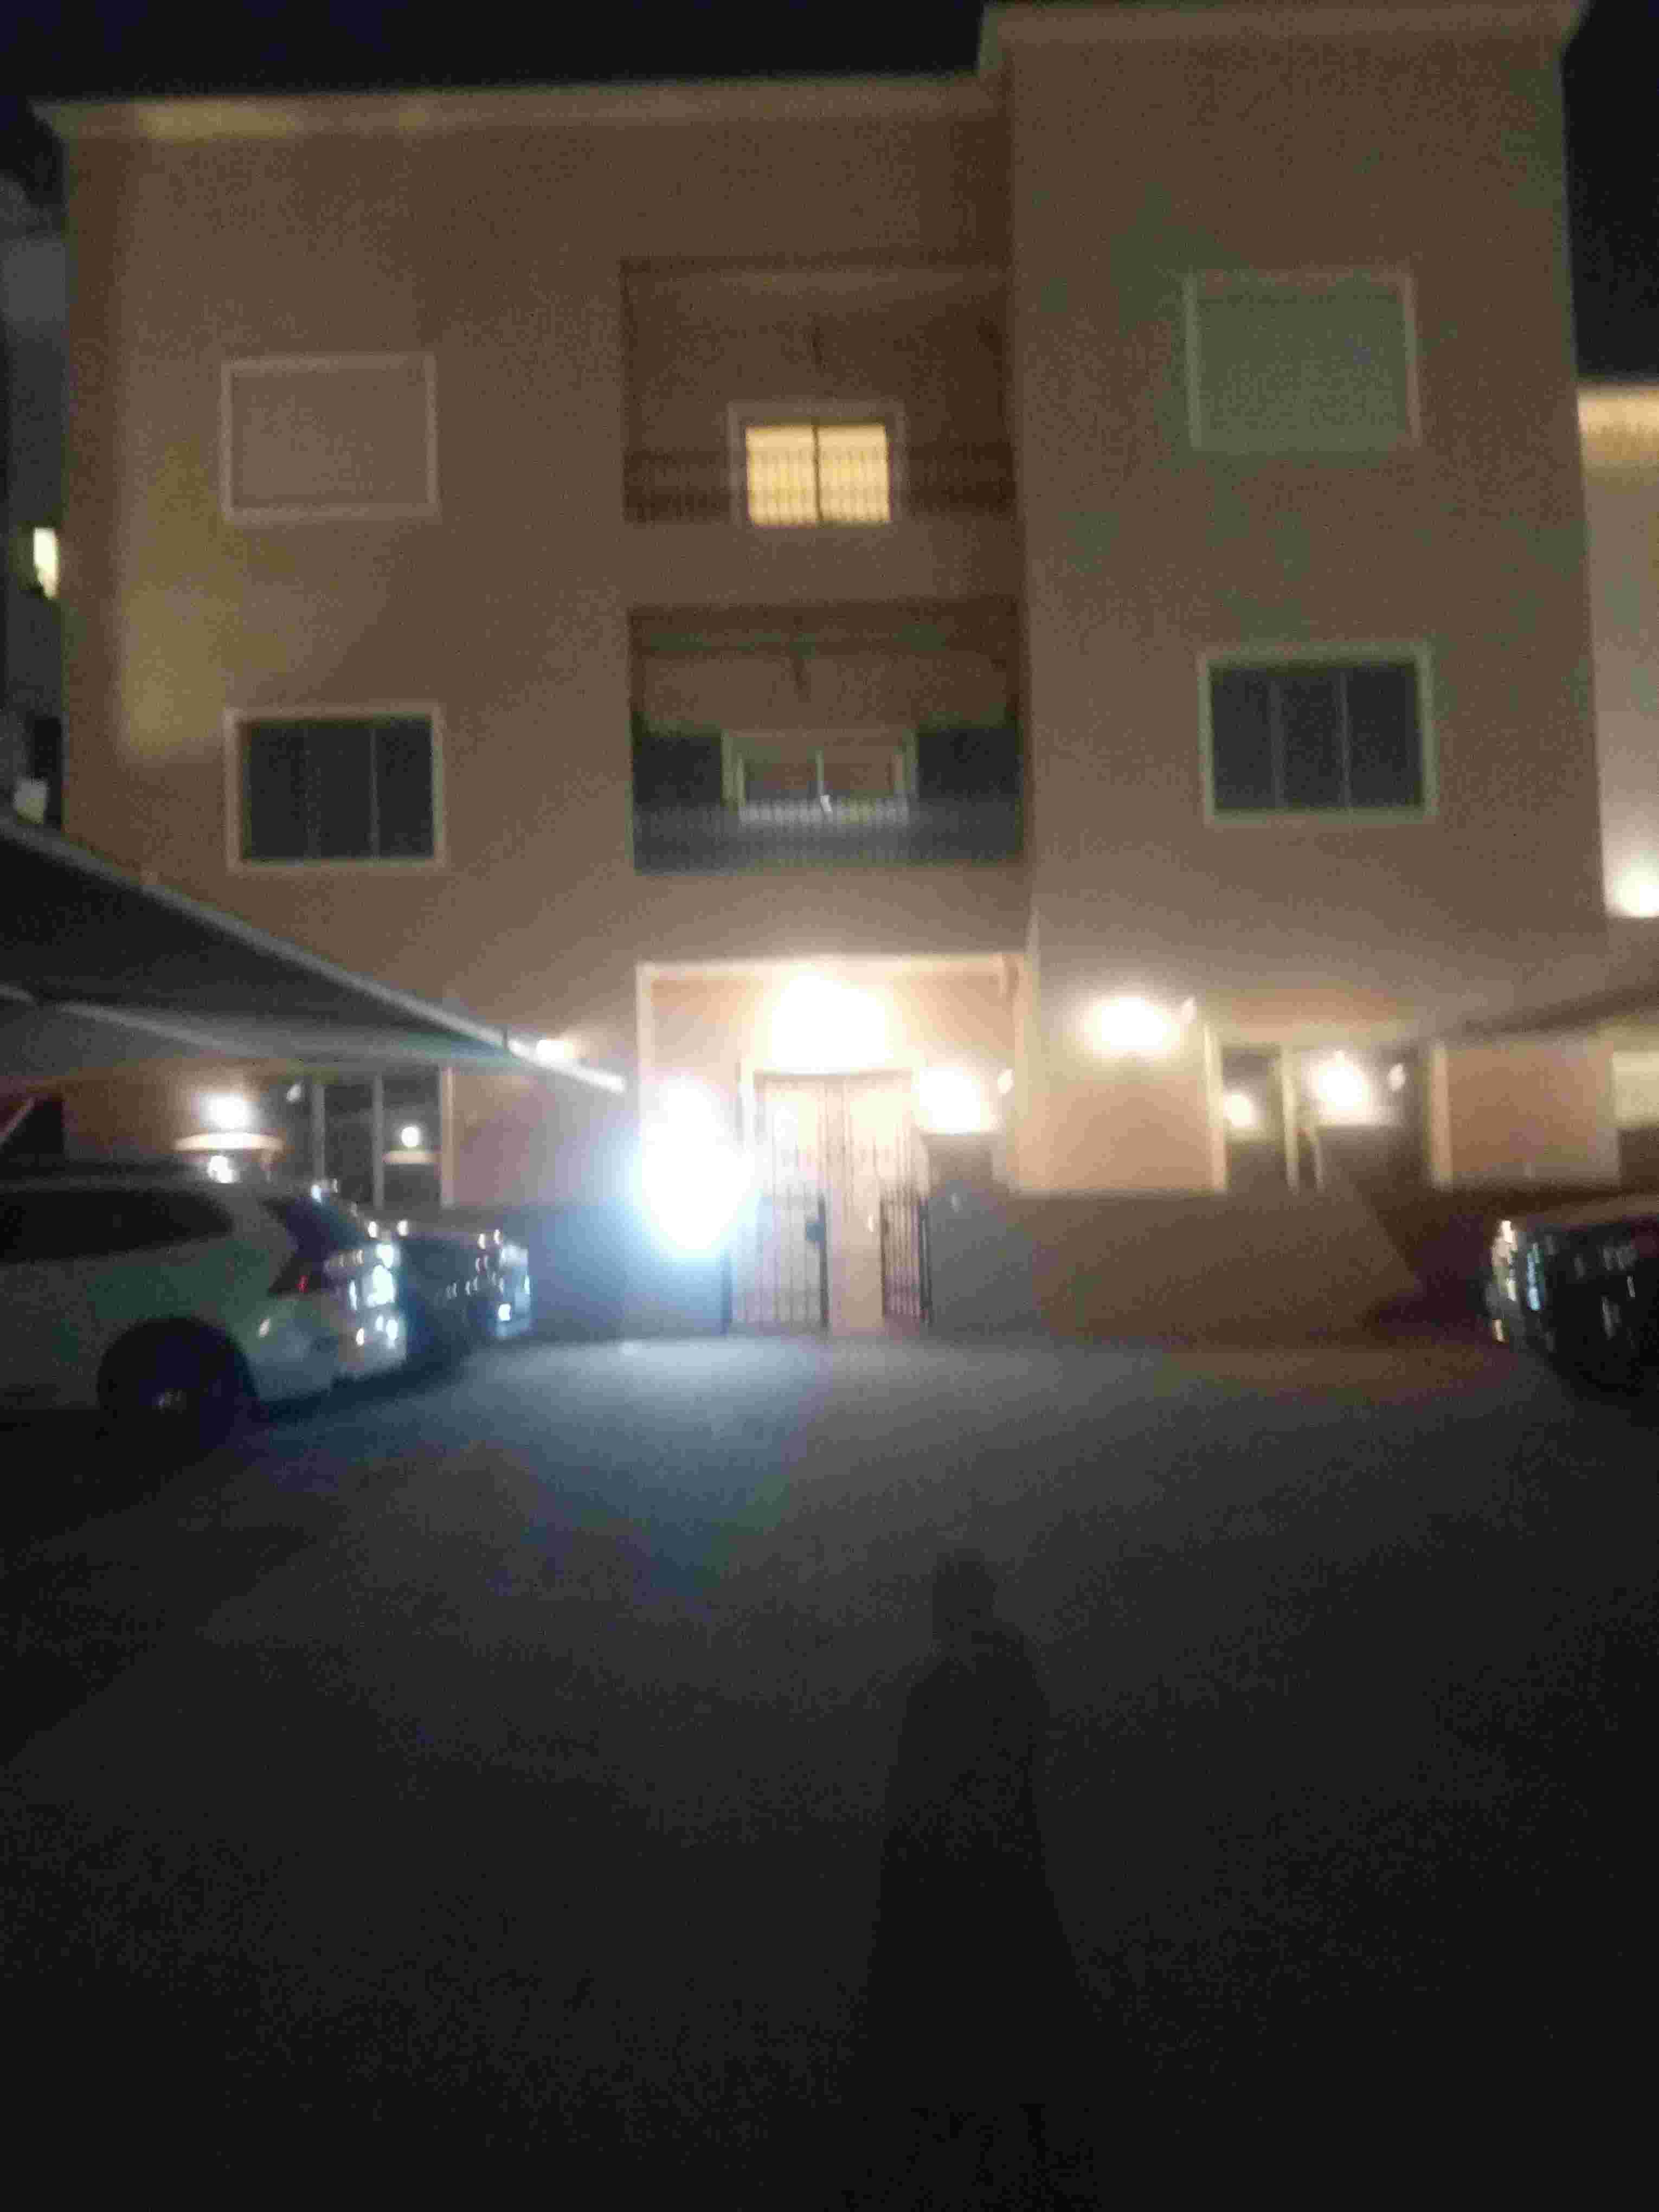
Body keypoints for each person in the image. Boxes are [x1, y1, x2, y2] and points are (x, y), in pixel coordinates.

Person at [844, 1546, 1101, 2203]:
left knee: (987, 2034)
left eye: (946, 1601)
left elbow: (918, 1801)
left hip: (973, 1882)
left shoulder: (952, 1688)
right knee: (1022, 2028)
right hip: (994, 1876)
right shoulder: (994, 1678)